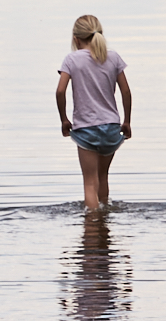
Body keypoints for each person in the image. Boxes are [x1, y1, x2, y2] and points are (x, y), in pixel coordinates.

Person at [55, 13, 136, 214]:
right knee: (103, 177)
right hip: (111, 128)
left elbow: (60, 91)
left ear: (76, 39)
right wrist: (127, 121)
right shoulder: (113, 57)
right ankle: (104, 221)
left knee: (90, 184)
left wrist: (64, 119)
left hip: (86, 130)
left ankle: (92, 226)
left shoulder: (71, 60)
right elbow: (126, 91)